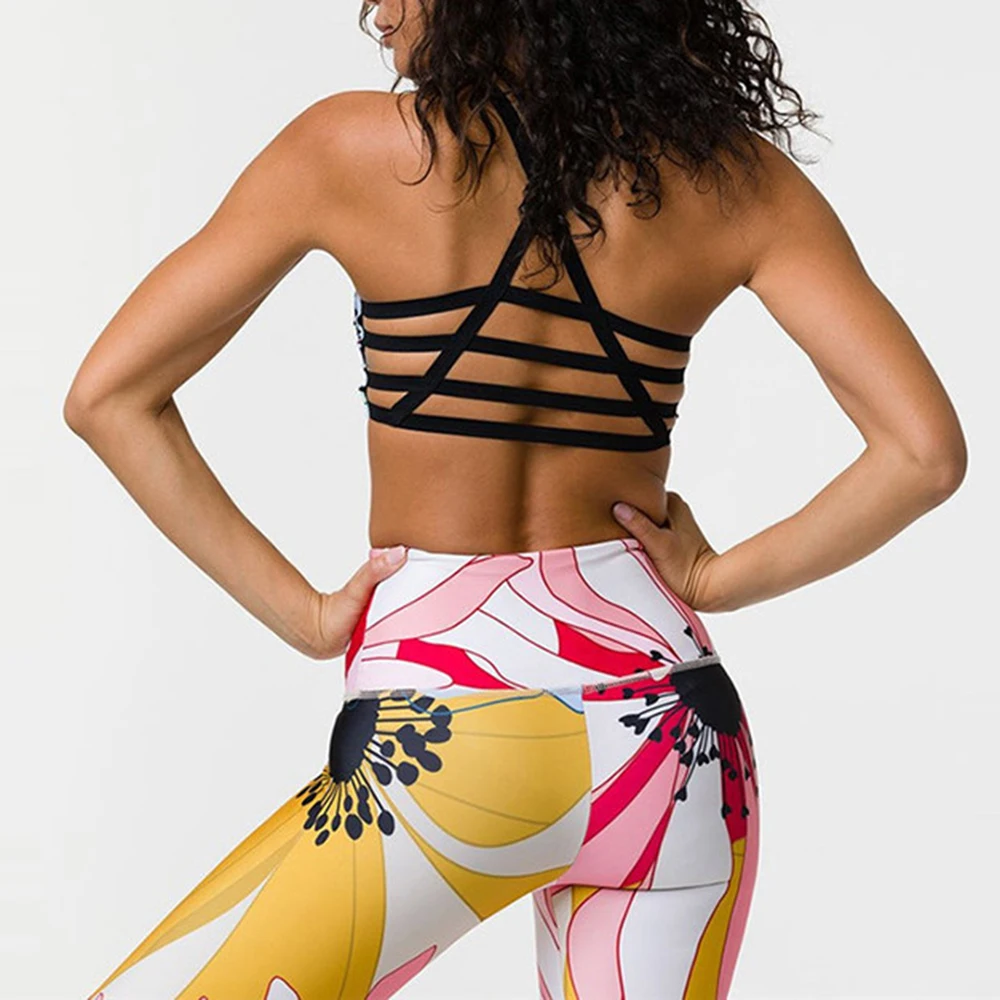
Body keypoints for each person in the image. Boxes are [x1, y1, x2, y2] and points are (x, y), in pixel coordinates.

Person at [63, 0, 967, 997]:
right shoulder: (730, 179)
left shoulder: (350, 149)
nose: (375, 10)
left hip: (449, 724)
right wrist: (713, 578)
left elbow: (110, 395)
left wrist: (303, 614)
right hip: (673, 739)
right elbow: (921, 453)